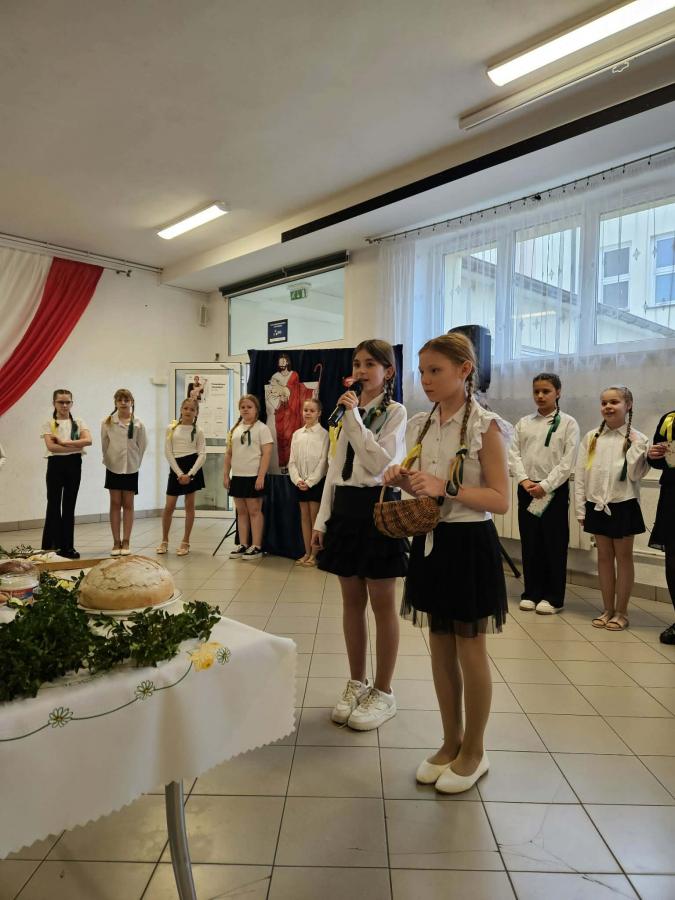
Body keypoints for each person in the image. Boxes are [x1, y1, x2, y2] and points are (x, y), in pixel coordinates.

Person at [384, 332, 511, 793]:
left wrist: (446, 487)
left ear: (464, 370)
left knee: (470, 649)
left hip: (469, 544)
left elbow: (500, 499)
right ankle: (450, 741)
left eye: (435, 370)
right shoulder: (421, 423)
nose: (426, 380)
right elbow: (424, 487)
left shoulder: (485, 426)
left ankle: (474, 750)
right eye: (422, 372)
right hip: (430, 541)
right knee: (439, 647)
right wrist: (402, 479)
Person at [312, 340, 408, 731]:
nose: (361, 370)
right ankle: (357, 682)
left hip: (378, 506)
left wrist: (353, 418)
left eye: (371, 364)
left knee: (382, 603)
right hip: (346, 510)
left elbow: (379, 463)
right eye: (357, 364)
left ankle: (384, 691)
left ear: (388, 372)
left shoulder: (395, 413)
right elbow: (335, 470)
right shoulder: (345, 413)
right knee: (351, 601)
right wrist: (322, 520)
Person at [575, 386, 649, 631]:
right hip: (596, 504)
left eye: (614, 402)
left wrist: (636, 447)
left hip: (624, 504)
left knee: (623, 558)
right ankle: (607, 609)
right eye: (604, 402)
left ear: (628, 405)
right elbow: (581, 474)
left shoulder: (639, 438)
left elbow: (635, 474)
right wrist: (581, 509)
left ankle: (622, 612)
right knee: (604, 557)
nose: (608, 406)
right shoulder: (592, 437)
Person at [509, 373, 580, 614]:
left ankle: (553, 598)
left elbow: (567, 462)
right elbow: (513, 454)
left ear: (558, 392)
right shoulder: (524, 423)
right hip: (528, 488)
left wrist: (546, 485)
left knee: (554, 543)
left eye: (546, 391)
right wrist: (524, 480)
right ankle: (532, 592)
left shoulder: (568, 423)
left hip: (553, 491)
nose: (540, 396)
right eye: (536, 391)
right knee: (531, 542)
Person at [41, 389, 92, 559]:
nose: (64, 405)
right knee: (54, 505)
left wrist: (63, 442)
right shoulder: (50, 423)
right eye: (60, 402)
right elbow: (52, 447)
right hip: (55, 464)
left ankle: (68, 547)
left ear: (72, 403)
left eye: (67, 402)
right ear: (54, 403)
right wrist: (75, 446)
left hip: (74, 464)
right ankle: (52, 546)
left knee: (69, 506)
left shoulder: (78, 422)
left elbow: (88, 440)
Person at [223, 394, 273, 560]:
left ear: (256, 409)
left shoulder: (262, 429)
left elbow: (267, 454)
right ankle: (243, 544)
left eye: (249, 407)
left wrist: (261, 476)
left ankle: (256, 546)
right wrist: (226, 475)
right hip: (238, 476)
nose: (245, 410)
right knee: (241, 512)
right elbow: (229, 454)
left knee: (254, 511)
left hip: (253, 476)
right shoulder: (235, 430)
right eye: (242, 407)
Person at [101, 388, 147, 556]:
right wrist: (110, 460)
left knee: (128, 504)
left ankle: (126, 541)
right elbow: (104, 444)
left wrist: (135, 463)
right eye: (119, 400)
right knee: (115, 503)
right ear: (115, 402)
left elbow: (142, 446)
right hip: (113, 466)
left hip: (131, 468)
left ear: (131, 402)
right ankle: (116, 542)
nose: (123, 403)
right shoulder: (107, 422)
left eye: (126, 400)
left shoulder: (138, 423)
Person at [157, 398, 206, 557]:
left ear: (196, 412)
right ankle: (164, 540)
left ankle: (186, 541)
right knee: (169, 506)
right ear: (181, 409)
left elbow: (202, 454)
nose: (188, 411)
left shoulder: (198, 431)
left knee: (189, 505)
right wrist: (179, 473)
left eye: (192, 409)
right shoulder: (171, 428)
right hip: (176, 468)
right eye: (185, 408)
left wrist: (190, 474)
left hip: (192, 467)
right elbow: (168, 452)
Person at [288, 398, 329, 566]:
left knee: (315, 518)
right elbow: (292, 461)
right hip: (300, 483)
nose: (308, 413)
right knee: (304, 518)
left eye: (312, 410)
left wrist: (310, 482)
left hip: (315, 483)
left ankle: (315, 554)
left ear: (319, 413)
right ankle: (307, 552)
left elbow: (323, 462)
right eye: (306, 410)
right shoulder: (297, 434)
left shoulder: (324, 434)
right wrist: (298, 480)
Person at [647, 408, 675, 644]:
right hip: (672, 497)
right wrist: (653, 455)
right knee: (673, 562)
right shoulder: (670, 418)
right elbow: (658, 460)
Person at [268, 354, 313, 470]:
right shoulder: (275, 376)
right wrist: (279, 398)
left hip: (292, 411)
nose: (282, 364)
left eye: (283, 362)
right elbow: (271, 393)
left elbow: (297, 390)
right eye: (280, 362)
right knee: (282, 437)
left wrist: (311, 391)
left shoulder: (294, 375)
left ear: (287, 362)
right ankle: (284, 464)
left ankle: (293, 464)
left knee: (293, 437)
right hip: (280, 411)